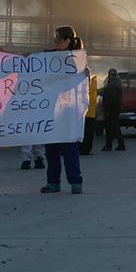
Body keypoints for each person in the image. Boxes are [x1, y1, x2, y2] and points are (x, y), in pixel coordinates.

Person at [41, 25, 85, 194]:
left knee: (68, 147)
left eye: (57, 40)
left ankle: (75, 182)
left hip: (67, 111)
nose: (54, 42)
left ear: (67, 41)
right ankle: (54, 183)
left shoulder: (77, 60)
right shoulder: (48, 57)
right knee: (52, 149)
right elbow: (31, 61)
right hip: (51, 110)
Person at [101, 68, 125, 151]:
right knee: (114, 126)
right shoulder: (118, 83)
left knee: (110, 128)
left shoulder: (111, 84)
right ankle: (119, 144)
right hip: (115, 108)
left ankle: (109, 145)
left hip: (111, 108)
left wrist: (106, 110)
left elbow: (109, 99)